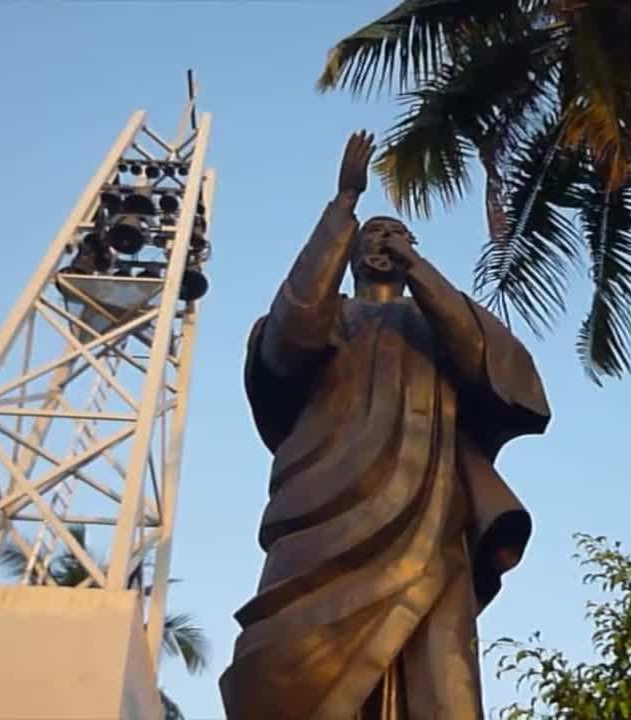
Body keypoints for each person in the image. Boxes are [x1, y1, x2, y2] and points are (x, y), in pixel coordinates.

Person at [219, 131, 551, 719]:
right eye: (371, 234)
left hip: (428, 521)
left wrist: (420, 275)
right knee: (290, 657)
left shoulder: (436, 320)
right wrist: (344, 203)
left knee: (436, 674)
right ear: (346, 252)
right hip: (319, 519)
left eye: (396, 234)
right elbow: (286, 337)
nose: (383, 241)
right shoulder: (329, 319)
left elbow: (499, 366)